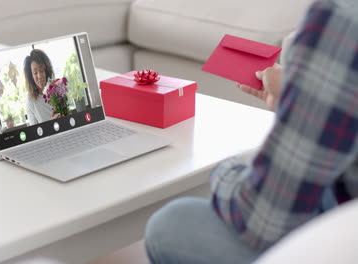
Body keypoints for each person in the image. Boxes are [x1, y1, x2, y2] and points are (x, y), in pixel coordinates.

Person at [144, 0, 358, 263]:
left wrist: (225, 169)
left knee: (172, 224)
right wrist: (305, 99)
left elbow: (264, 221)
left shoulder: (341, 20)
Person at [24, 49, 56, 125]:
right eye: (35, 73)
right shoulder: (31, 99)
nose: (39, 76)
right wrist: (52, 123)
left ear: (47, 71)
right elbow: (35, 132)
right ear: (31, 76)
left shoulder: (56, 90)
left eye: (41, 71)